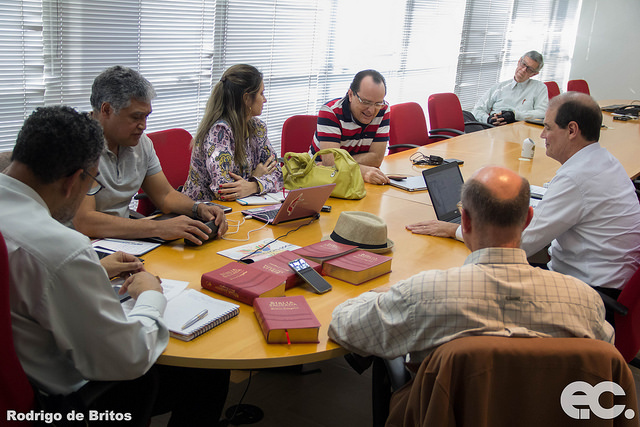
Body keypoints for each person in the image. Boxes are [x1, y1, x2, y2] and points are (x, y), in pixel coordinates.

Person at [0, 106, 229, 425]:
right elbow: (129, 357)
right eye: (91, 181)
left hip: (16, 379)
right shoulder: (59, 249)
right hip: (61, 400)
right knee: (207, 374)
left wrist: (95, 271)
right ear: (72, 181)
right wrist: (150, 295)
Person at [329, 166, 613, 363]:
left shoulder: (423, 294)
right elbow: (602, 362)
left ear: (464, 221)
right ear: (528, 219)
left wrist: (381, 296)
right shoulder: (585, 301)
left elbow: (344, 327)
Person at [407, 92, 640, 295]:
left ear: (571, 130)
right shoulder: (602, 160)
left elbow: (518, 245)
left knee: (475, 286)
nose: (542, 136)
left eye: (548, 127)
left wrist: (457, 229)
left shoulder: (576, 178)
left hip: (591, 290)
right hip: (610, 281)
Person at [72, 65, 228, 245]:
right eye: (136, 117)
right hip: (82, 245)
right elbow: (85, 221)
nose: (143, 125)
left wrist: (199, 208)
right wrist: (158, 228)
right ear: (106, 110)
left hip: (123, 240)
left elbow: (165, 196)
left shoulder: (141, 144)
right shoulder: (78, 144)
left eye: (146, 117)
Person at [182, 64, 283, 202]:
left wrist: (253, 185)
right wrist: (256, 177)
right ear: (247, 98)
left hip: (240, 208)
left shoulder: (258, 128)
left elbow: (278, 174)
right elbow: (223, 191)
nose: (264, 99)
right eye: (261, 93)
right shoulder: (219, 132)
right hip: (204, 211)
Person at [311, 69, 391, 185]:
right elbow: (330, 163)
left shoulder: (383, 109)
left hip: (359, 181)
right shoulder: (330, 112)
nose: (371, 110)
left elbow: (377, 159)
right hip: (323, 179)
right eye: (365, 102)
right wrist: (360, 170)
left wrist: (340, 163)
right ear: (350, 95)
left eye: (377, 103)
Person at [470, 51, 548, 126]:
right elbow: (477, 110)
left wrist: (515, 115)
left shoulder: (539, 88)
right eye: (523, 64)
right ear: (519, 61)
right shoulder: (499, 88)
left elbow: (542, 112)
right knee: (465, 115)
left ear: (534, 74)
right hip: (494, 129)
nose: (523, 70)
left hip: (520, 130)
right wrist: (488, 119)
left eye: (529, 69)